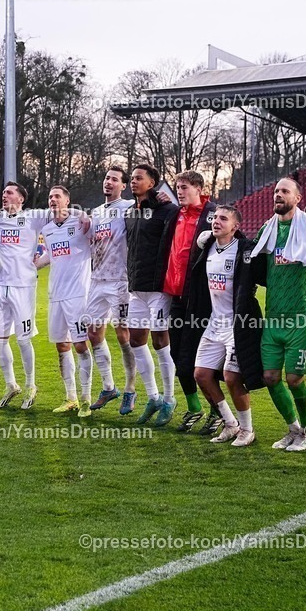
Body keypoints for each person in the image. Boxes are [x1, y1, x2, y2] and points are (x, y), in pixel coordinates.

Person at [251, 178, 306, 452]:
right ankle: (293, 429)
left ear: (298, 198)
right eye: (276, 190)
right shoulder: (267, 228)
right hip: (273, 315)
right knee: (270, 377)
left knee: (295, 379)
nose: (278, 194)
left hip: (300, 317)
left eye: (285, 191)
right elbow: (251, 257)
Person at [189, 205, 264, 447]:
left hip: (237, 324)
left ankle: (247, 430)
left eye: (223, 219)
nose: (216, 221)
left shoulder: (244, 249)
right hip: (214, 322)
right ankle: (230, 423)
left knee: (232, 377)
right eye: (215, 218)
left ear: (235, 226)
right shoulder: (208, 246)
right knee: (201, 375)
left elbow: (262, 274)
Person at [125, 164, 181, 425]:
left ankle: (170, 398)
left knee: (160, 342)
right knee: (136, 341)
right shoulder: (130, 212)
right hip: (136, 287)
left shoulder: (167, 210)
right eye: (132, 178)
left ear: (152, 183)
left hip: (158, 288)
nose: (133, 181)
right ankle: (153, 396)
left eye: (139, 178)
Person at [164, 171, 217, 431]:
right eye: (177, 187)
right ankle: (195, 408)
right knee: (177, 354)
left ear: (198, 188)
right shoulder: (176, 214)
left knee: (201, 359)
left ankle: (217, 410)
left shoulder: (213, 215)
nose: (179, 191)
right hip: (176, 296)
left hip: (201, 299)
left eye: (184, 187)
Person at [85, 167, 137, 415]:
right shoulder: (96, 212)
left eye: (115, 179)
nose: (109, 182)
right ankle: (108, 387)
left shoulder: (128, 206)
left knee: (123, 334)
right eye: (107, 178)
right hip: (97, 279)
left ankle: (130, 389)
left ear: (123, 185)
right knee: (93, 332)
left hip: (119, 280)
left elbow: (150, 208)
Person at [38, 186, 93, 413]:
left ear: (67, 200)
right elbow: (51, 255)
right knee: (62, 344)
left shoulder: (80, 223)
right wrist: (32, 265)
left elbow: (96, 240)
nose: (52, 200)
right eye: (50, 196)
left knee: (80, 344)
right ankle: (71, 398)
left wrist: (83, 214)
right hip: (56, 294)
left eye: (57, 196)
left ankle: (86, 398)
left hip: (78, 294)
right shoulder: (47, 228)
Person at [0, 182, 44, 409]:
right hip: (0, 284)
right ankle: (11, 384)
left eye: (10, 193)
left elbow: (61, 213)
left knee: (23, 339)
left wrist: (82, 216)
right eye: (3, 192)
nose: (4, 195)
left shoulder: (33, 217)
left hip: (23, 286)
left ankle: (31, 384)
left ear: (21, 199)